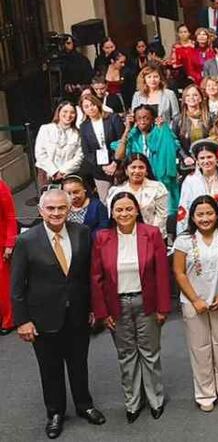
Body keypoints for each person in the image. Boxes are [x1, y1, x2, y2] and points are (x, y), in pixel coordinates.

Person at [10, 189, 106, 438]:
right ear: (41, 211)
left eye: (61, 208)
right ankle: (55, 413)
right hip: (42, 319)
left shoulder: (83, 233)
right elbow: (17, 286)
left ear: (69, 208)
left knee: (79, 364)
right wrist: (23, 321)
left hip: (77, 314)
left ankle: (85, 405)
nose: (56, 213)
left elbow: (89, 276)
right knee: (49, 369)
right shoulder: (26, 241)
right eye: (50, 209)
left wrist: (94, 308)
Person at [90, 192, 171, 422]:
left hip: (147, 302)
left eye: (128, 209)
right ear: (112, 214)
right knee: (126, 355)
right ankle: (133, 402)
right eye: (119, 210)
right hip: (117, 304)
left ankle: (155, 399)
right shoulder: (102, 237)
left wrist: (163, 308)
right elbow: (96, 278)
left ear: (137, 210)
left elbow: (162, 274)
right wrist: (102, 312)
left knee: (150, 353)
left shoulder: (151, 234)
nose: (124, 213)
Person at [172, 195, 218, 412]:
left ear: (217, 214)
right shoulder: (183, 240)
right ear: (192, 217)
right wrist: (195, 300)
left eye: (209, 213)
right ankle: (205, 392)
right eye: (200, 214)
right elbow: (179, 273)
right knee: (200, 348)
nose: (205, 218)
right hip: (193, 302)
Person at [177, 140, 218, 238]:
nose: (206, 161)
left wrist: (212, 224)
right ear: (197, 161)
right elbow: (184, 210)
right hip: (196, 230)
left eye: (209, 157)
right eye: (202, 158)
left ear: (217, 158)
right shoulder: (189, 181)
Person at [107, 153, 171, 241]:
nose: (137, 171)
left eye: (141, 167)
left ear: (146, 170)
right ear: (126, 170)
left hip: (152, 237)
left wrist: (149, 235)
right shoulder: (115, 191)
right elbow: (113, 217)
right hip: (123, 237)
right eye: (133, 167)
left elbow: (162, 216)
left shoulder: (157, 188)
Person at [34, 101, 83, 191]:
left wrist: (63, 171)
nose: (68, 115)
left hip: (68, 174)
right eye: (65, 111)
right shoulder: (46, 129)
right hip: (47, 173)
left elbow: (79, 156)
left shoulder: (78, 133)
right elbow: (40, 153)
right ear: (59, 112)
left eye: (72, 112)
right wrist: (54, 172)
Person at [0, 178, 16, 332]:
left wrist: (9, 244)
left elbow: (10, 216)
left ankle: (9, 320)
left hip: (1, 244)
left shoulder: (1, 187)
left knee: (4, 287)